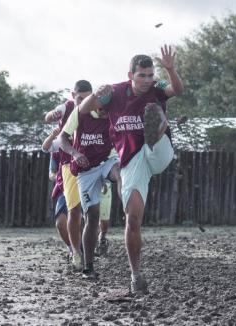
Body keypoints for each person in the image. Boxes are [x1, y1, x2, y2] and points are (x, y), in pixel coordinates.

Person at [78, 45, 183, 294]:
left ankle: (156, 127)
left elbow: (177, 90)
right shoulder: (114, 93)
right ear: (130, 75)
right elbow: (83, 110)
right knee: (133, 219)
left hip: (159, 151)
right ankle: (135, 276)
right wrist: (95, 96)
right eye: (142, 76)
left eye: (150, 75)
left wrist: (170, 69)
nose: (147, 80)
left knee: (152, 111)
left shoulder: (156, 90)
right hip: (132, 161)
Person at [58, 100, 121, 279]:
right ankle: (88, 266)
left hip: (108, 160)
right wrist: (76, 154)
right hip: (86, 169)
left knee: (119, 173)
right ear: (95, 106)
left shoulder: (114, 115)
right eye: (103, 110)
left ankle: (128, 207)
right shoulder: (80, 113)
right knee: (92, 217)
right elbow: (62, 139)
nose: (106, 114)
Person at [45, 80, 93, 271]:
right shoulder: (66, 107)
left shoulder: (96, 107)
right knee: (66, 218)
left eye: (87, 98)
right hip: (68, 168)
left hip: (90, 165)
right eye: (80, 98)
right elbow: (48, 117)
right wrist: (53, 115)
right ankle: (74, 250)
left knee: (88, 214)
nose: (83, 102)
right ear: (72, 95)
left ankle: (86, 251)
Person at [42, 127, 72, 260]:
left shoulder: (83, 141)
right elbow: (51, 173)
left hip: (83, 186)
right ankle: (73, 249)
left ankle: (86, 250)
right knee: (60, 223)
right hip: (63, 188)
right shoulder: (56, 148)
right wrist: (62, 176)